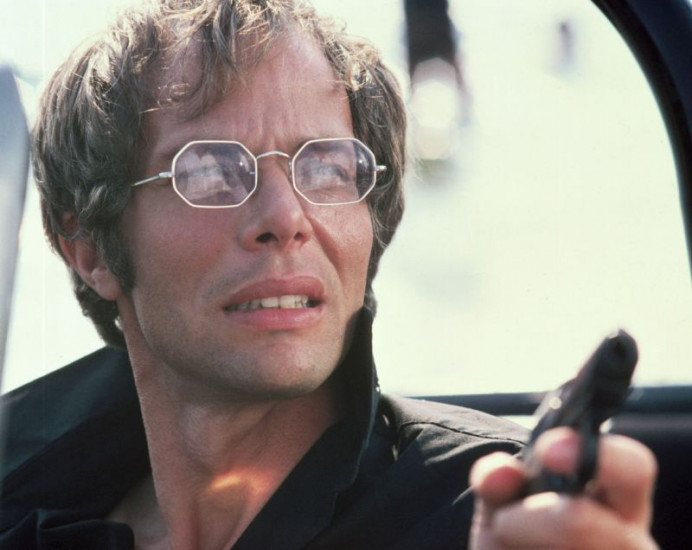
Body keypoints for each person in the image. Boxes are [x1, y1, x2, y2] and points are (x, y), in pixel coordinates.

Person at [0, 0, 657, 548]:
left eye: (327, 167)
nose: (286, 217)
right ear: (88, 249)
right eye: (209, 169)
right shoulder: (24, 516)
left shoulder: (492, 513)